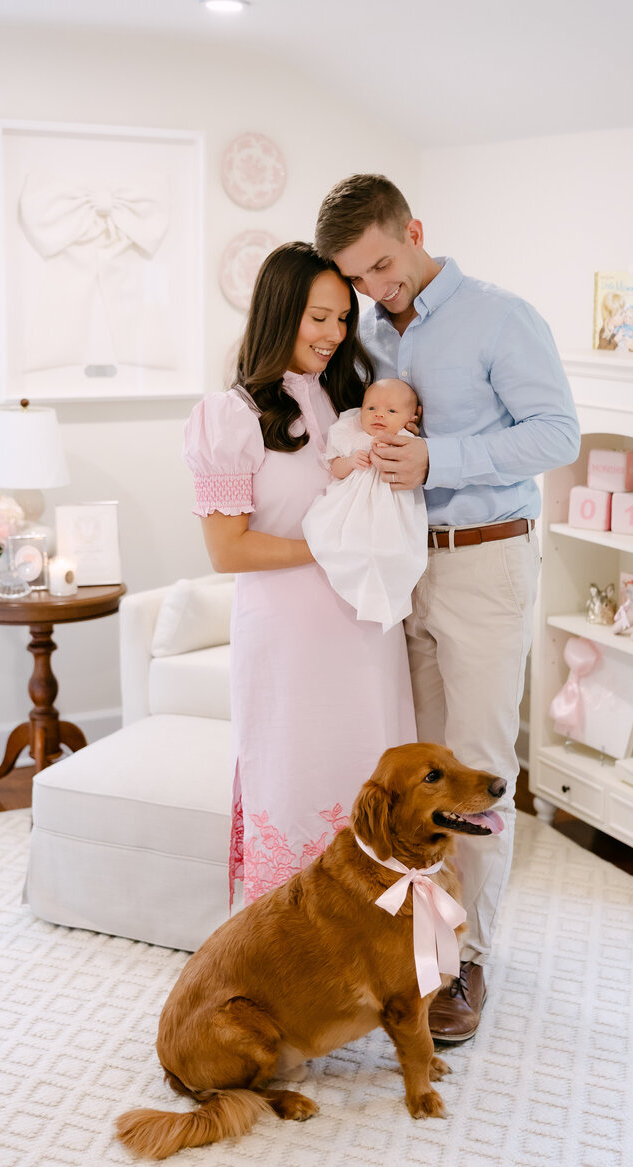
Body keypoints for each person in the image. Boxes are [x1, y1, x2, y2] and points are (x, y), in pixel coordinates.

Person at [315, 175, 580, 1042]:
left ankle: (471, 964)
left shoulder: (503, 317)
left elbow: (556, 435)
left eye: (383, 266)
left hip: (485, 562)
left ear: (415, 231)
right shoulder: (374, 333)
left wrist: (440, 460)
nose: (374, 289)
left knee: (474, 767)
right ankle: (424, 944)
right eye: (357, 278)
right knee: (420, 777)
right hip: (404, 571)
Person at [183, 241, 416, 907]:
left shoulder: (347, 401)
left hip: (365, 629)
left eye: (343, 319)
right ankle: (290, 958)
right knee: (292, 779)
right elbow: (227, 551)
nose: (334, 334)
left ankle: (376, 953)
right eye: (319, 317)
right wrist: (330, 547)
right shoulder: (229, 416)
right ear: (280, 311)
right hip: (287, 638)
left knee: (370, 780)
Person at [302, 376, 427, 631]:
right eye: (371, 408)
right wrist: (350, 462)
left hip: (390, 509)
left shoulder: (406, 440)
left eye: (391, 411)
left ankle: (382, 601)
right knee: (348, 542)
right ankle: (360, 596)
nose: (379, 415)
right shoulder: (349, 433)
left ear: (411, 418)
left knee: (390, 550)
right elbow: (335, 468)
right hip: (351, 506)